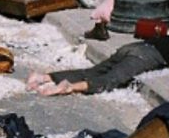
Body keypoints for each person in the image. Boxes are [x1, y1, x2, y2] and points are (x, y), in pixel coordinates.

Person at [27, 37, 169, 96]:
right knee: (110, 79)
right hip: (145, 56)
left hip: (137, 46)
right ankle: (70, 87)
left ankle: (43, 77)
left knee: (93, 71)